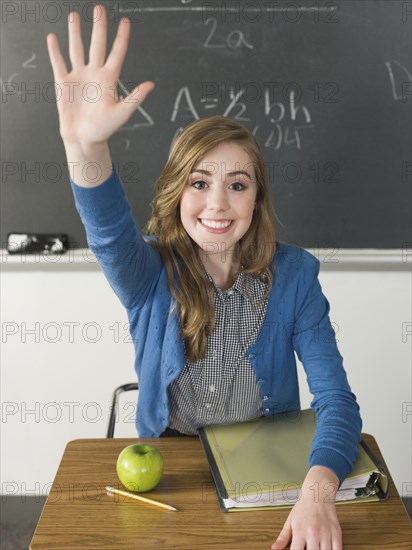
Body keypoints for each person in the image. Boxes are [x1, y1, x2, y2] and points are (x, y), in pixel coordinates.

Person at [47, 5, 362, 549]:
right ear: (177, 191)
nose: (218, 202)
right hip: (175, 462)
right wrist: (86, 146)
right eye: (199, 182)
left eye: (237, 184)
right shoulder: (147, 274)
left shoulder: (296, 276)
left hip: (270, 465)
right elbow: (105, 226)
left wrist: (318, 489)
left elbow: (337, 399)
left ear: (257, 197)